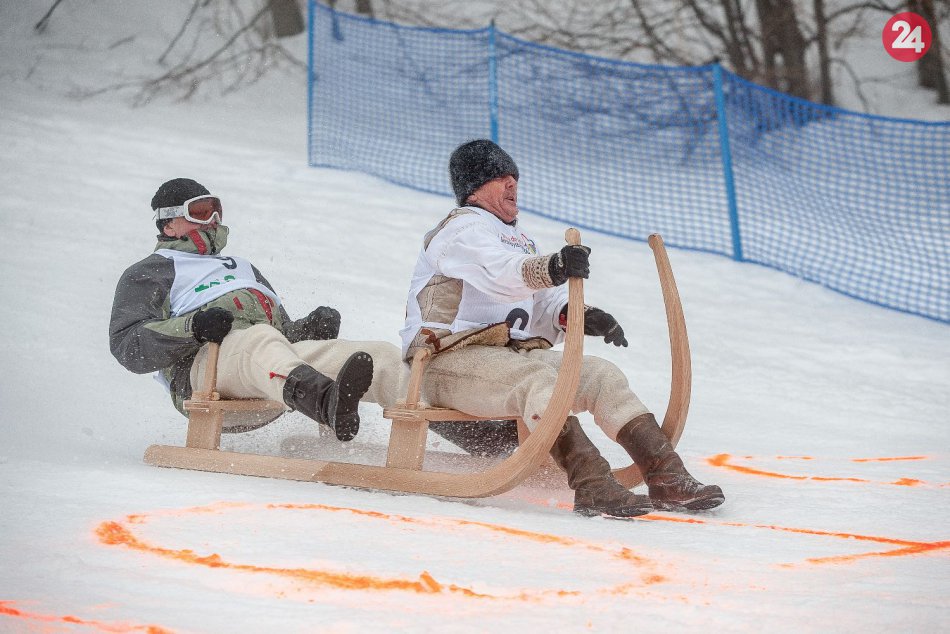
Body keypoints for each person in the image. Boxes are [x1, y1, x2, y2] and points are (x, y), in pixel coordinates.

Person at [400, 140, 724, 517]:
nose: (511, 184)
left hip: (507, 361)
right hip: (444, 362)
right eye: (500, 177)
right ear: (475, 184)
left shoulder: (517, 238)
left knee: (601, 375)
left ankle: (667, 476)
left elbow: (538, 305)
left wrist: (577, 314)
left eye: (514, 177)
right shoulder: (461, 231)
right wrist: (551, 267)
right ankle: (591, 484)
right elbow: (499, 273)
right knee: (537, 379)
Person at [110, 177, 407, 441]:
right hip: (205, 377)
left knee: (380, 355)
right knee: (257, 341)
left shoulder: (243, 268)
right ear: (169, 223)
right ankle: (326, 402)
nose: (212, 219)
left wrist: (306, 330)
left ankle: (441, 419)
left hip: (267, 376)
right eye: (199, 211)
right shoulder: (151, 271)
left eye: (216, 210)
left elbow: (279, 339)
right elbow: (128, 346)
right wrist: (194, 328)